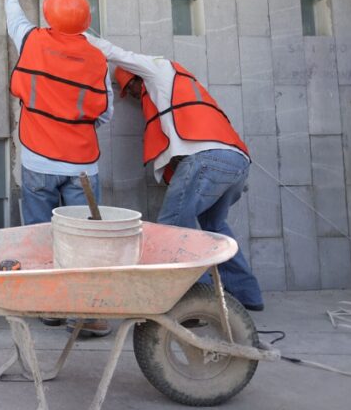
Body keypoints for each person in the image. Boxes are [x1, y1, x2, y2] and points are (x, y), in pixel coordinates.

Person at [89, 36, 264, 311]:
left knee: (173, 230)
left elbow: (114, 52)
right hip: (236, 162)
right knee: (215, 230)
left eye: (132, 88)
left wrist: (72, 31)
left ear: (138, 77)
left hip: (206, 160)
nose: (134, 96)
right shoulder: (181, 87)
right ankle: (248, 295)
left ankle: (194, 303)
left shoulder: (158, 70)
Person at [0, 0, 114, 336]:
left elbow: (16, 23)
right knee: (85, 240)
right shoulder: (97, 59)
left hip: (37, 160)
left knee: (41, 233)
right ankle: (89, 314)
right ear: (86, 22)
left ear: (49, 17)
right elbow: (105, 114)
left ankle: (48, 306)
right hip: (82, 165)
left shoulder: (33, 41)